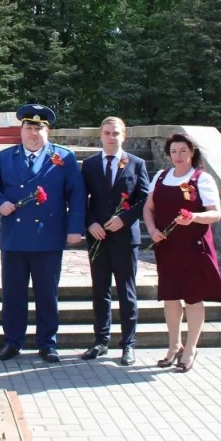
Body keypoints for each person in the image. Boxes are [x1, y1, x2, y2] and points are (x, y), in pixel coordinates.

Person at [0, 104, 85, 363]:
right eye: (29, 127)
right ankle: (12, 341)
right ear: (20, 130)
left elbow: (76, 194)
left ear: (48, 131)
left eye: (39, 128)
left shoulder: (63, 158)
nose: (34, 132)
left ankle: (47, 342)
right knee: (13, 293)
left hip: (48, 236)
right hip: (15, 236)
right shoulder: (5, 157)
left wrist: (75, 228)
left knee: (46, 293)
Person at [144, 132, 221, 373]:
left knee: (193, 298)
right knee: (170, 297)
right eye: (173, 152)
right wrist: (152, 230)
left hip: (194, 247)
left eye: (183, 151)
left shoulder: (202, 178)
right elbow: (148, 208)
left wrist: (193, 217)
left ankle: (191, 348)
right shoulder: (161, 176)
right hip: (167, 247)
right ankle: (174, 346)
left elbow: (215, 214)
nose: (178, 156)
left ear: (192, 152)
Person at [77, 116, 150, 366]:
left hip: (125, 239)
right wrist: (90, 223)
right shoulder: (89, 165)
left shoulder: (136, 164)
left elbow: (144, 200)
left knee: (126, 292)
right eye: (107, 132)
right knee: (100, 291)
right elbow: (80, 200)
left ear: (124, 136)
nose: (111, 137)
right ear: (100, 135)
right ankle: (100, 341)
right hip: (98, 238)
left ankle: (128, 344)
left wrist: (125, 219)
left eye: (116, 133)